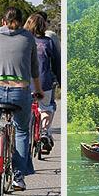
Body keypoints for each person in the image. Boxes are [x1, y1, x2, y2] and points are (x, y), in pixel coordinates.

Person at [0, 7, 44, 191]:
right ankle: (18, 178)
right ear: (22, 23)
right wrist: (38, 90)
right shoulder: (29, 38)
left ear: (2, 21)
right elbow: (34, 69)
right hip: (20, 92)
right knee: (22, 131)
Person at [24, 14, 61, 152]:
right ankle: (44, 131)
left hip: (25, 84)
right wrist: (61, 81)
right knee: (47, 107)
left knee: (24, 109)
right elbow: (57, 64)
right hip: (44, 82)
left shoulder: (23, 41)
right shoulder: (48, 42)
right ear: (44, 26)